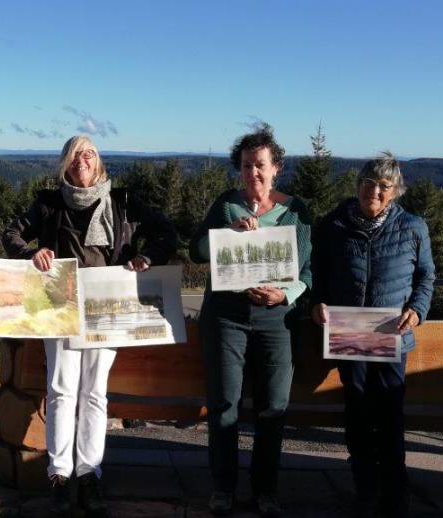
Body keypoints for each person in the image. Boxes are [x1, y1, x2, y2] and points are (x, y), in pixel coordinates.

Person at [3, 135, 177, 517]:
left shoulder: (122, 202)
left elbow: (167, 233)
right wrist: (32, 253)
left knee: (95, 392)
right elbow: (11, 234)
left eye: (89, 153)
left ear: (98, 163)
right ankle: (60, 474)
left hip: (107, 306)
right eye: (75, 155)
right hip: (59, 303)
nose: (82, 159)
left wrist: (148, 256)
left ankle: (89, 472)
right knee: (62, 389)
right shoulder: (48, 203)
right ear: (65, 164)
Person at [188, 125, 312, 517]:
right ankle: (223, 487)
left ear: (276, 167)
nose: (253, 173)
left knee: (272, 406)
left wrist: (285, 294)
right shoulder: (226, 205)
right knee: (224, 403)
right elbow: (196, 250)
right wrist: (226, 235)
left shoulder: (296, 211)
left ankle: (266, 489)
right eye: (246, 166)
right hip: (227, 317)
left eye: (260, 165)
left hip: (277, 320)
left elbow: (309, 271)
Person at [311, 152, 434, 518]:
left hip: (392, 335)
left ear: (395, 192)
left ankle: (396, 493)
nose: (375, 191)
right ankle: (365, 490)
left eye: (384, 186)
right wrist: (316, 303)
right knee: (359, 416)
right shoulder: (333, 225)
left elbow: (426, 277)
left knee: (391, 416)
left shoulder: (413, 226)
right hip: (350, 334)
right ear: (357, 185)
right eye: (369, 183)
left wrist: (417, 309)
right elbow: (317, 272)